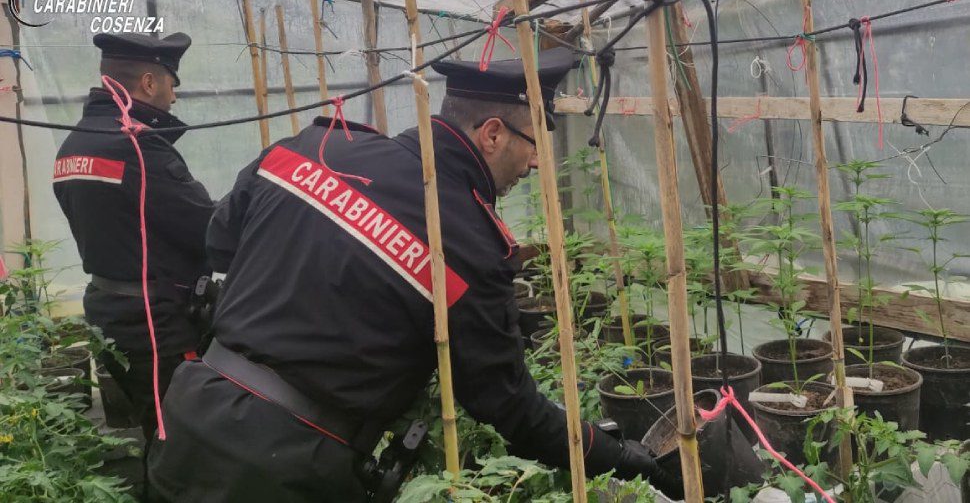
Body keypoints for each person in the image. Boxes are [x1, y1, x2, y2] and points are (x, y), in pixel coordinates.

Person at [147, 47, 683, 502]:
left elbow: (218, 243)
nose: (538, 162)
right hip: (285, 466)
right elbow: (508, 405)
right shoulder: (470, 244)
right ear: (492, 134)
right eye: (533, 142)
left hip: (190, 410)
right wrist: (623, 459)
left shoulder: (313, 146)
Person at [53, 32, 215, 442]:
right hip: (155, 323)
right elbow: (206, 230)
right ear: (149, 82)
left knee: (155, 423)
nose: (174, 98)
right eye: (171, 84)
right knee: (182, 435)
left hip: (109, 312)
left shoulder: (73, 145)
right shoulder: (137, 147)